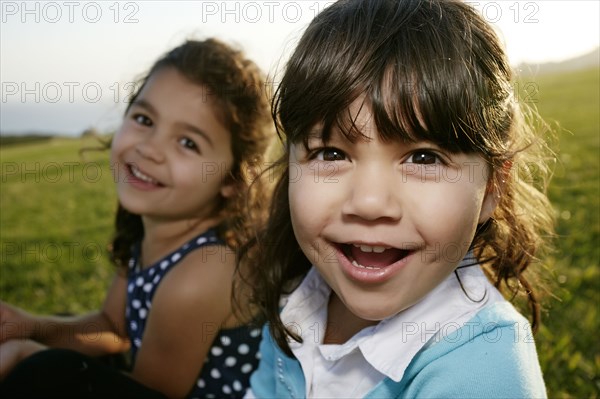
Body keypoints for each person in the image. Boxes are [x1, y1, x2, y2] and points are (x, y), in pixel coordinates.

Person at [242, 0, 555, 397]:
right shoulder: (302, 293)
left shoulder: (483, 371)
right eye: (331, 154)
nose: (370, 203)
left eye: (423, 158)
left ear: (492, 187)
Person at [0, 38, 273, 399]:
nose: (149, 148)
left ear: (232, 180)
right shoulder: (149, 228)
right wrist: (33, 328)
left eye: (188, 143)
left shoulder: (205, 270)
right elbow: (114, 328)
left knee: (42, 374)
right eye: (144, 119)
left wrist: (32, 356)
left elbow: (149, 393)